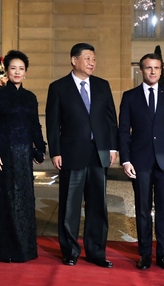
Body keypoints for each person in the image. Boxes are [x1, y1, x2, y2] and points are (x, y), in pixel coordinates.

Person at [45, 42, 118, 268]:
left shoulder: (102, 86)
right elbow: (53, 123)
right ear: (74, 60)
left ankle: (96, 251)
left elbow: (110, 120)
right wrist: (55, 151)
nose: (92, 63)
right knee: (70, 205)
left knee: (98, 205)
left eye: (94, 59)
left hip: (98, 154)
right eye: (87, 58)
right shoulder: (58, 87)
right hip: (71, 154)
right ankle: (70, 251)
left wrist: (113, 148)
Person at [118, 53, 164, 271]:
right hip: (140, 161)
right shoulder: (130, 96)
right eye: (149, 68)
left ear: (161, 70)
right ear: (141, 71)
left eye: (157, 67)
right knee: (143, 209)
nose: (153, 71)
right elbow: (123, 131)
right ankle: (145, 254)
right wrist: (125, 160)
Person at [0, 50, 46, 262]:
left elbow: (35, 125)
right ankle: (5, 251)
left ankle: (24, 250)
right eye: (13, 68)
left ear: (25, 73)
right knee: (5, 200)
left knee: (25, 200)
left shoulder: (30, 98)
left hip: (24, 155)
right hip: (3, 154)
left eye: (21, 69)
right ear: (6, 71)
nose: (17, 72)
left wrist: (40, 148)